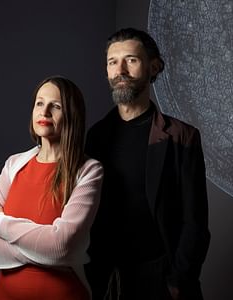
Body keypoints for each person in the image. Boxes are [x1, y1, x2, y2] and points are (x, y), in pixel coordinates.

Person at [84, 28, 210, 300]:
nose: (120, 70)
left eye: (131, 60)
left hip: (163, 279)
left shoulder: (182, 136)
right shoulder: (96, 136)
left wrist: (177, 282)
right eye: (112, 62)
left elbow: (195, 223)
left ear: (154, 67)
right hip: (109, 279)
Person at [0, 75, 103, 300]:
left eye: (56, 106)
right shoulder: (14, 164)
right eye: (39, 103)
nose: (44, 112)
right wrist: (48, 254)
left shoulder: (89, 171)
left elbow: (61, 245)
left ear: (72, 115)